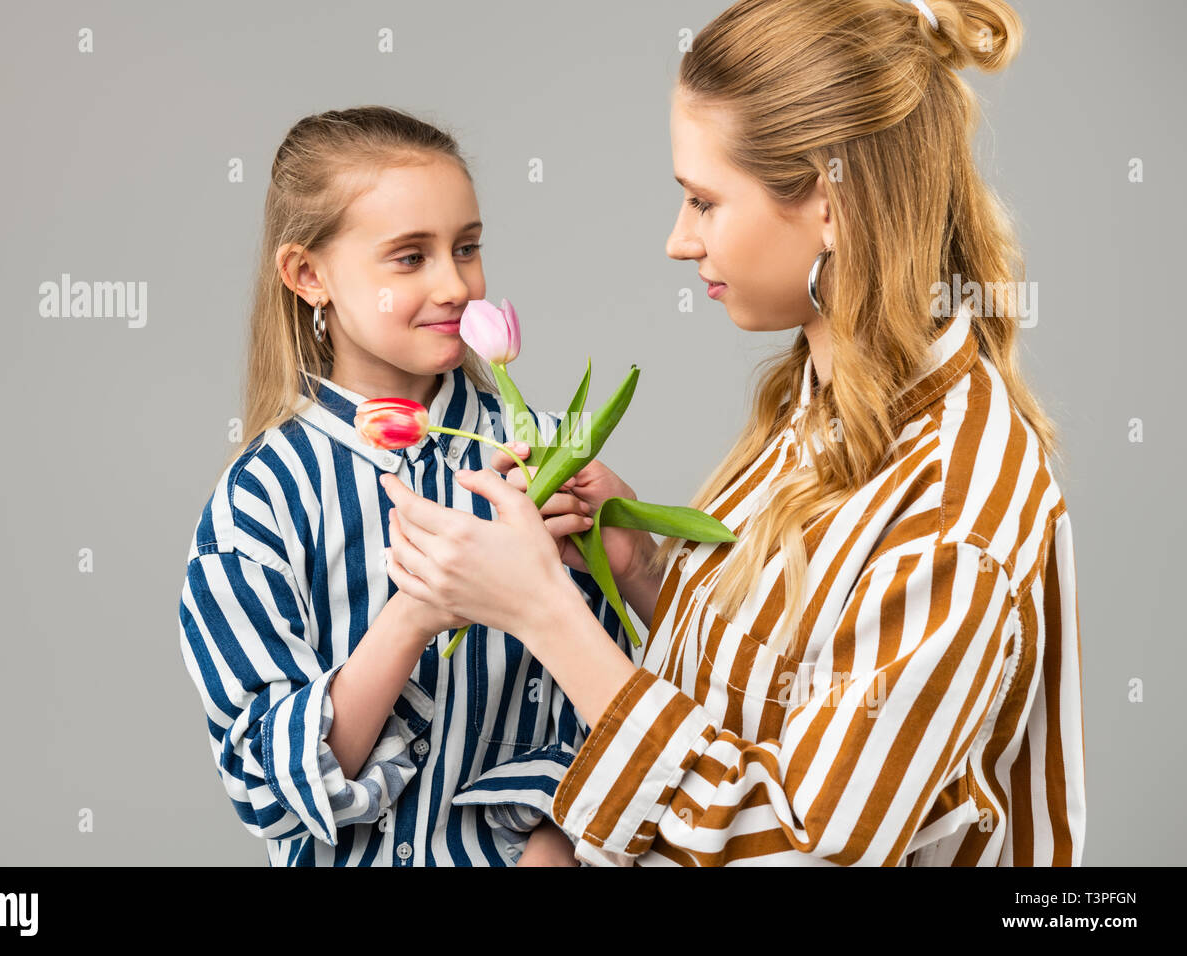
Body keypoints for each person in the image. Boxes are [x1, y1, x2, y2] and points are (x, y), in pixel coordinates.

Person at [381, 0, 1085, 866]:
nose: (679, 241)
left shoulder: (951, 517)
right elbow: (783, 698)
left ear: (828, 203)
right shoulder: (822, 399)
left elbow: (799, 849)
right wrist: (640, 567)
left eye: (703, 200)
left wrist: (545, 615)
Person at [177, 106, 632, 866]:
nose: (457, 284)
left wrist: (555, 842)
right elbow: (267, 787)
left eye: (468, 247)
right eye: (409, 257)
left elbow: (616, 696)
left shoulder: (540, 460)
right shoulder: (262, 500)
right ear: (307, 275)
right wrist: (417, 612)